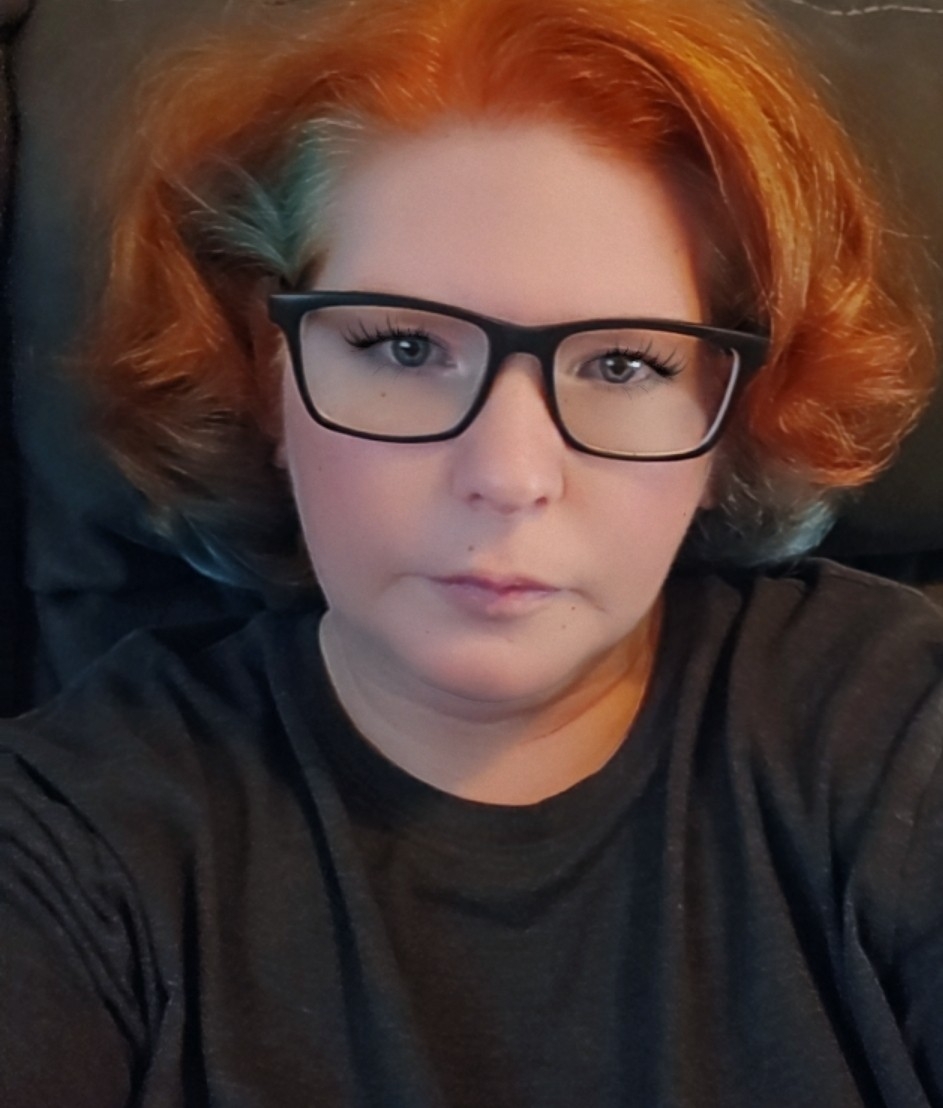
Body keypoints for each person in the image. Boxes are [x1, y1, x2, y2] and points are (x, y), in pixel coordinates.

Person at [1, 0, 941, 1104]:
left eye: (624, 365)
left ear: (733, 415)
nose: (509, 475)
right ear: (265, 371)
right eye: (404, 347)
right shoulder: (72, 830)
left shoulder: (892, 728)